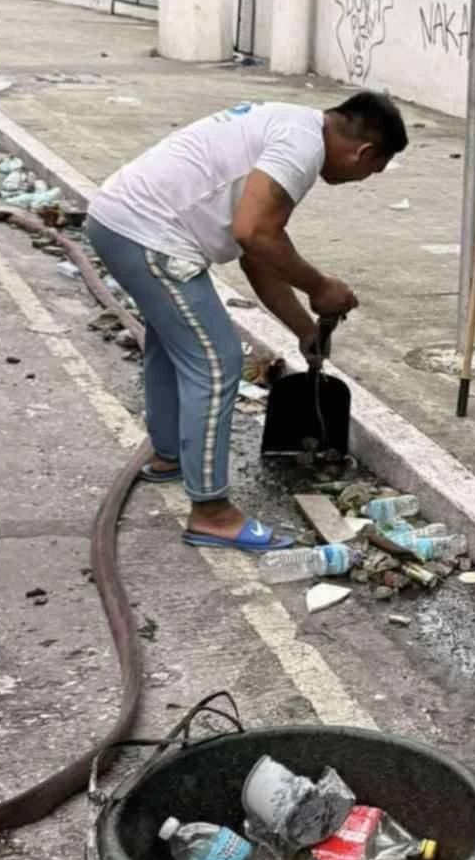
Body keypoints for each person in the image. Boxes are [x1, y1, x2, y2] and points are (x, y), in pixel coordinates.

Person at [85, 93, 408, 552]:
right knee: (216, 363)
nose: (360, 180)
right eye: (369, 173)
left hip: (118, 218)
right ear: (365, 153)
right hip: (149, 232)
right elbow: (254, 233)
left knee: (174, 341)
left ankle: (168, 455)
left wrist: (304, 329)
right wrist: (320, 286)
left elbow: (258, 250)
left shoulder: (291, 124)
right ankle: (212, 514)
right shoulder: (302, 148)